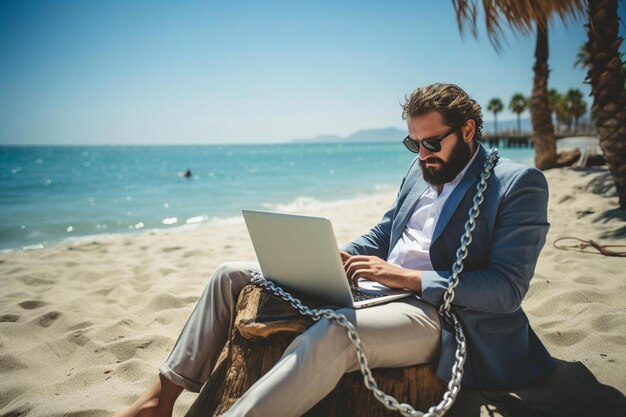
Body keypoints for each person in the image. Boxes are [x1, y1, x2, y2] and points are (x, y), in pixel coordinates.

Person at [115, 83, 555, 417]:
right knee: (229, 273)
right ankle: (160, 398)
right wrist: (336, 258)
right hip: (375, 289)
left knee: (336, 333)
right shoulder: (420, 170)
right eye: (412, 143)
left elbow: (506, 289)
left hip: (435, 312)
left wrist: (407, 278)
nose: (421, 154)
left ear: (468, 130)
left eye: (431, 143)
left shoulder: (518, 185)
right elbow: (386, 232)